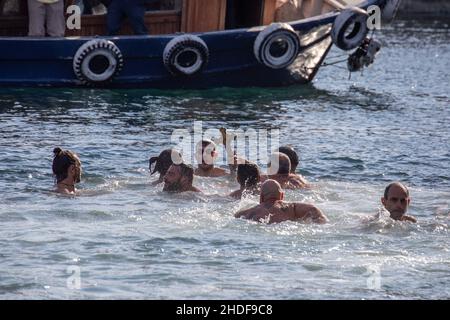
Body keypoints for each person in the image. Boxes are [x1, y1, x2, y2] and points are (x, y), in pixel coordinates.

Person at [235, 180, 327, 224]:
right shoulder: (292, 208)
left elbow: (235, 218)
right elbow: (313, 209)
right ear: (281, 196)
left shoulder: (249, 213)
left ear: (261, 197)